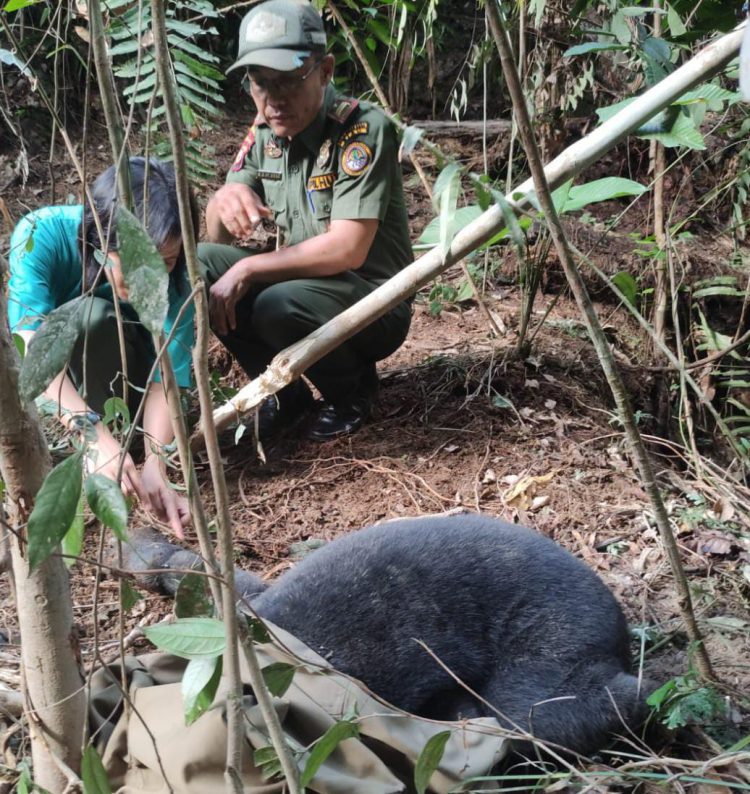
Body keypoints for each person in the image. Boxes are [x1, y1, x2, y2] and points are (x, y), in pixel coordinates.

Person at [200, 0, 413, 440]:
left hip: (373, 302)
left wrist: (249, 266)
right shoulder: (265, 133)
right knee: (199, 266)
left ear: (325, 70)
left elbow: (346, 248)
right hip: (306, 289)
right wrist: (224, 199)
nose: (274, 99)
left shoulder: (361, 128)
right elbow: (216, 236)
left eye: (289, 81)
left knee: (276, 305)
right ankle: (283, 394)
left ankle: (352, 391)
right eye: (260, 83)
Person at [7, 157, 198, 538]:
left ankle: (127, 451)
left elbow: (168, 372)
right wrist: (94, 436)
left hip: (140, 390)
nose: (152, 276)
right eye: (135, 260)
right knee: (90, 316)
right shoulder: (42, 235)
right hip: (72, 394)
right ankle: (108, 450)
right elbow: (31, 348)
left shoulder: (181, 276)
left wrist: (157, 464)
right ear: (99, 239)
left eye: (166, 262)